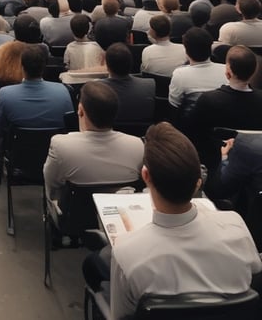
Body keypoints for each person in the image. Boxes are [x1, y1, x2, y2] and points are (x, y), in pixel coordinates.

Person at [84, 123, 261, 320]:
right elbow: (254, 274)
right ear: (198, 182)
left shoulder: (127, 252)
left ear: (145, 175)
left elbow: (121, 315)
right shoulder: (235, 225)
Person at [43, 81, 143, 202]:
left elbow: (52, 190)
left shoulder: (60, 146)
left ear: (80, 110)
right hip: (119, 215)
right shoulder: (138, 145)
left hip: (75, 219)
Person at [188, 45, 262, 171]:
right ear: (254, 71)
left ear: (228, 72)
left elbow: (195, 137)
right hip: (256, 163)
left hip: (214, 163)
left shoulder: (207, 100)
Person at [0, 45, 74, 151]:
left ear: (22, 67)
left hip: (18, 156)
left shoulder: (5, 94)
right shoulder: (63, 91)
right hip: (56, 153)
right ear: (44, 67)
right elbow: (70, 131)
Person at [103, 43, 155, 126]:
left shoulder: (96, 89)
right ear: (131, 63)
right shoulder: (149, 85)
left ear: (107, 66)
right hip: (141, 135)